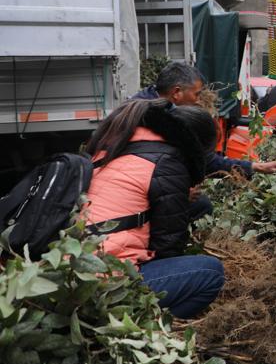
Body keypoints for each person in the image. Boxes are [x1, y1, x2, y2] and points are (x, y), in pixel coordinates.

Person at [82, 99, 225, 318]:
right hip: (106, 283)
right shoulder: (168, 161)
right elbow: (167, 245)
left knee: (199, 205)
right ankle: (148, 325)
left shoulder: (121, 143)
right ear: (194, 146)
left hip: (79, 267)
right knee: (211, 273)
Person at [133, 61, 276, 178]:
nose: (198, 100)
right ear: (177, 93)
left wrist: (255, 167)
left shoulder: (148, 105)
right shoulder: (151, 120)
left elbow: (205, 160)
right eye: (197, 94)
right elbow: (205, 161)